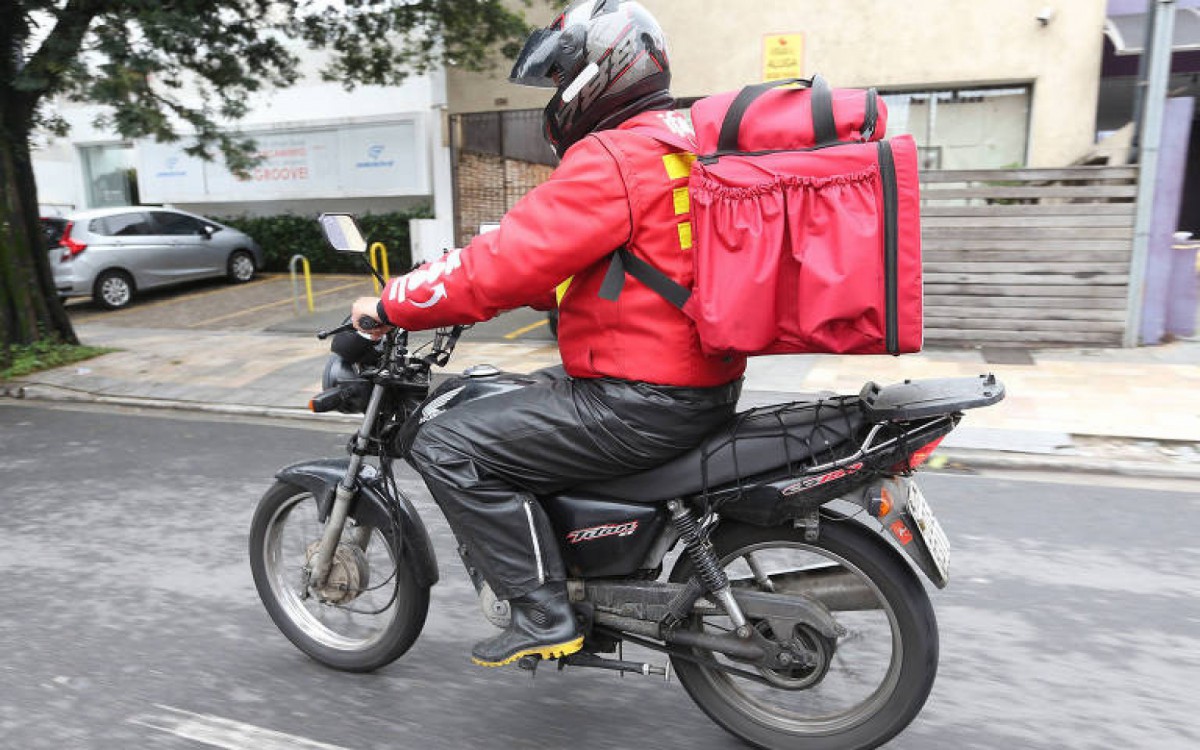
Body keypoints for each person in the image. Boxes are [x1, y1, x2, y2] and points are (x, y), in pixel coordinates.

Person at [350, 0, 746, 668]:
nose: (558, 96)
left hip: (640, 395)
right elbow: (580, 263)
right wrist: (463, 289)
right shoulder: (681, 141)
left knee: (446, 440)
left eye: (562, 77)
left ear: (599, 74)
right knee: (500, 393)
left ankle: (543, 609)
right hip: (689, 376)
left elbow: (503, 264)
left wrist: (394, 303)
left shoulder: (613, 157)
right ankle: (581, 565)